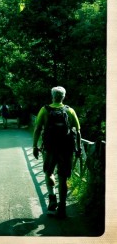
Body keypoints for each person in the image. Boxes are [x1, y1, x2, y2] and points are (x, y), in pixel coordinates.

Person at [32, 86, 81, 218]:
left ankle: (52, 198)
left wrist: (35, 146)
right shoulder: (70, 111)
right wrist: (78, 148)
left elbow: (37, 129)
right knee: (63, 178)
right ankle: (62, 208)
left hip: (49, 148)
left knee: (49, 172)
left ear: (52, 96)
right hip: (66, 149)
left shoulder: (44, 110)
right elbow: (78, 131)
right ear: (63, 97)